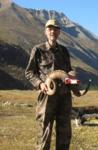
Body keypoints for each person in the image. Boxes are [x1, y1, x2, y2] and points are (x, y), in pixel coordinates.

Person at [25, 19, 73, 150]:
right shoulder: (38, 50)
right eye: (50, 28)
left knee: (64, 133)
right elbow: (29, 72)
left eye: (55, 29)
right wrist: (40, 84)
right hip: (46, 97)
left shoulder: (64, 51)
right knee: (44, 132)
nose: (53, 31)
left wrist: (72, 75)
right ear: (45, 31)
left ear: (59, 32)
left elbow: (69, 70)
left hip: (64, 97)